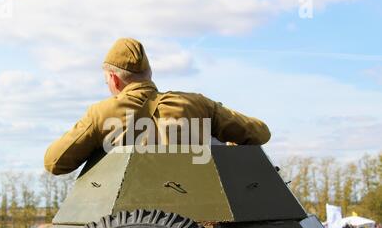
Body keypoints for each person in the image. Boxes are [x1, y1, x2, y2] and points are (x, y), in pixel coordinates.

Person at [44, 38, 271, 175]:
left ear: (114, 80)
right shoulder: (198, 105)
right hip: (199, 222)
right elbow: (260, 132)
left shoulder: (101, 113)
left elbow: (54, 162)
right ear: (149, 75)